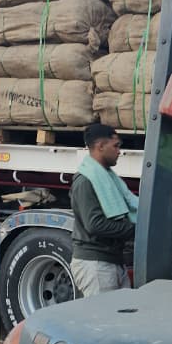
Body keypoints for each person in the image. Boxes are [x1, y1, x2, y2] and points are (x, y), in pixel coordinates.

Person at [71, 124, 136, 297]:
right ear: (100, 146)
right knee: (102, 322)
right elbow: (95, 225)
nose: (119, 151)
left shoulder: (107, 178)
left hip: (110, 261)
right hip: (96, 264)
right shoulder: (85, 181)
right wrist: (135, 229)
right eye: (115, 146)